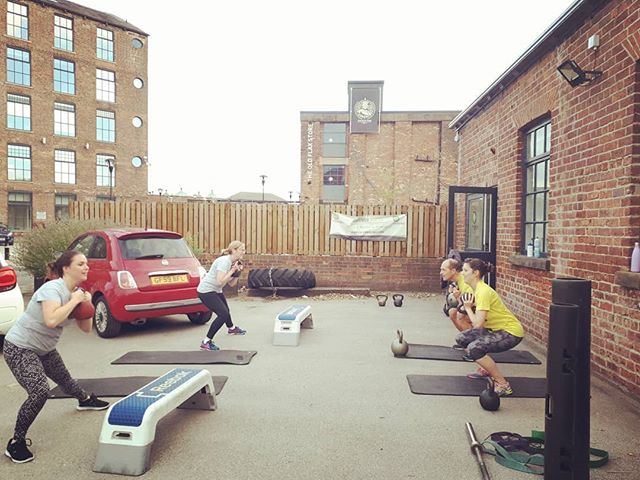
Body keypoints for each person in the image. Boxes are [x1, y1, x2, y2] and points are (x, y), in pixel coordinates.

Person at [3, 251, 109, 464]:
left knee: (65, 379)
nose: (86, 267)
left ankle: (85, 400)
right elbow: (51, 320)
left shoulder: (77, 292)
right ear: (66, 268)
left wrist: (86, 306)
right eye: (81, 264)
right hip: (20, 347)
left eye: (86, 263)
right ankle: (16, 442)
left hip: (44, 348)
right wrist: (75, 300)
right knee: (40, 391)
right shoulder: (52, 289)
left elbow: (86, 329)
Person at [453, 258, 525, 397]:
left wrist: (468, 308)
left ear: (476, 273)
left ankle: (503, 384)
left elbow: (477, 324)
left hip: (511, 332)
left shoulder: (483, 292)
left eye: (465, 270)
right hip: (495, 329)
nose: (462, 273)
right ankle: (485, 368)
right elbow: (466, 313)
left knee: (474, 348)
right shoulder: (475, 289)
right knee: (461, 338)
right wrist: (462, 303)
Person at [197, 240, 247, 351]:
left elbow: (231, 284)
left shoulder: (232, 262)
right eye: (242, 250)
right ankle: (206, 342)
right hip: (206, 291)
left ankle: (231, 328)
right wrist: (232, 270)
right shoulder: (225, 262)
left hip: (216, 290)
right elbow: (220, 281)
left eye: (244, 249)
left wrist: (237, 273)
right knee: (223, 314)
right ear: (234, 250)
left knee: (226, 310)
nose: (244, 252)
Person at [439, 258, 473, 332]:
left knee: (459, 315)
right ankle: (465, 337)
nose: (441, 273)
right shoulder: (457, 282)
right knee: (452, 312)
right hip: (472, 310)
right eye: (441, 270)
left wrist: (458, 298)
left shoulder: (465, 283)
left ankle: (474, 340)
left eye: (444, 270)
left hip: (482, 316)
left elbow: (469, 306)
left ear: (453, 271)